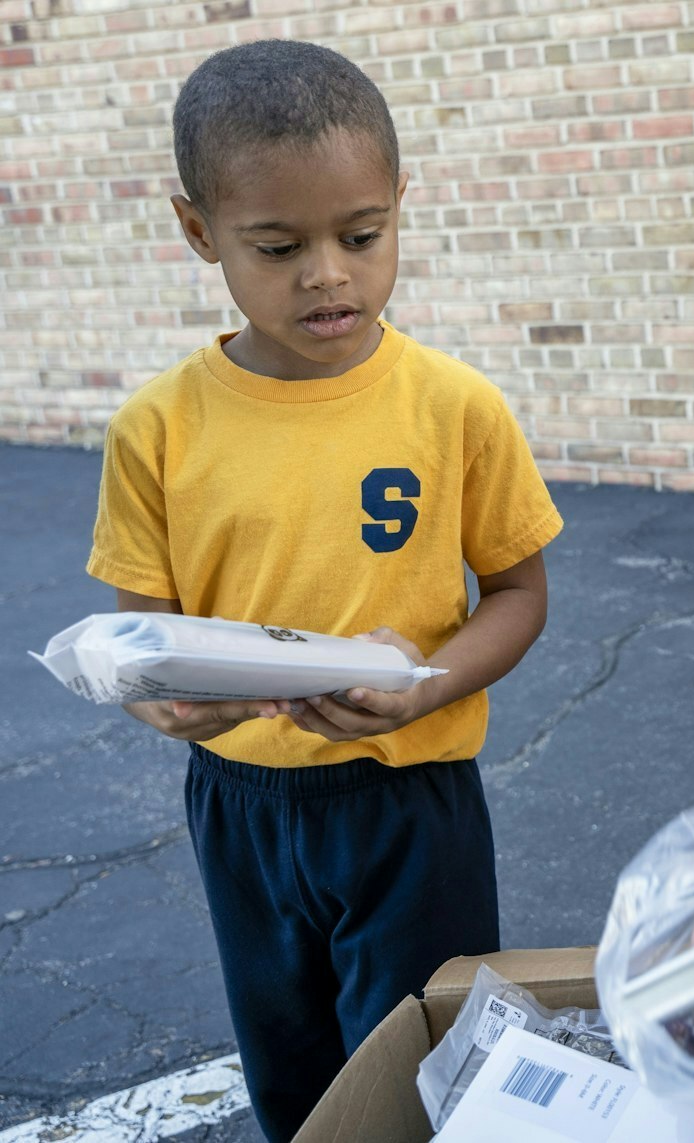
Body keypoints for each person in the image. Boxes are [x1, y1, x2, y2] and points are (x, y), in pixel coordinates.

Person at [85, 40, 563, 1141]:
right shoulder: (157, 428)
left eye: (360, 235)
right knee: (290, 1063)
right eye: (277, 245)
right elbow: (133, 639)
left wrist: (429, 685)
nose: (327, 275)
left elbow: (519, 594)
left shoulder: (454, 407)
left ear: (401, 203)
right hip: (240, 802)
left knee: (422, 1062)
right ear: (199, 231)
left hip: (408, 798)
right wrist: (163, 700)